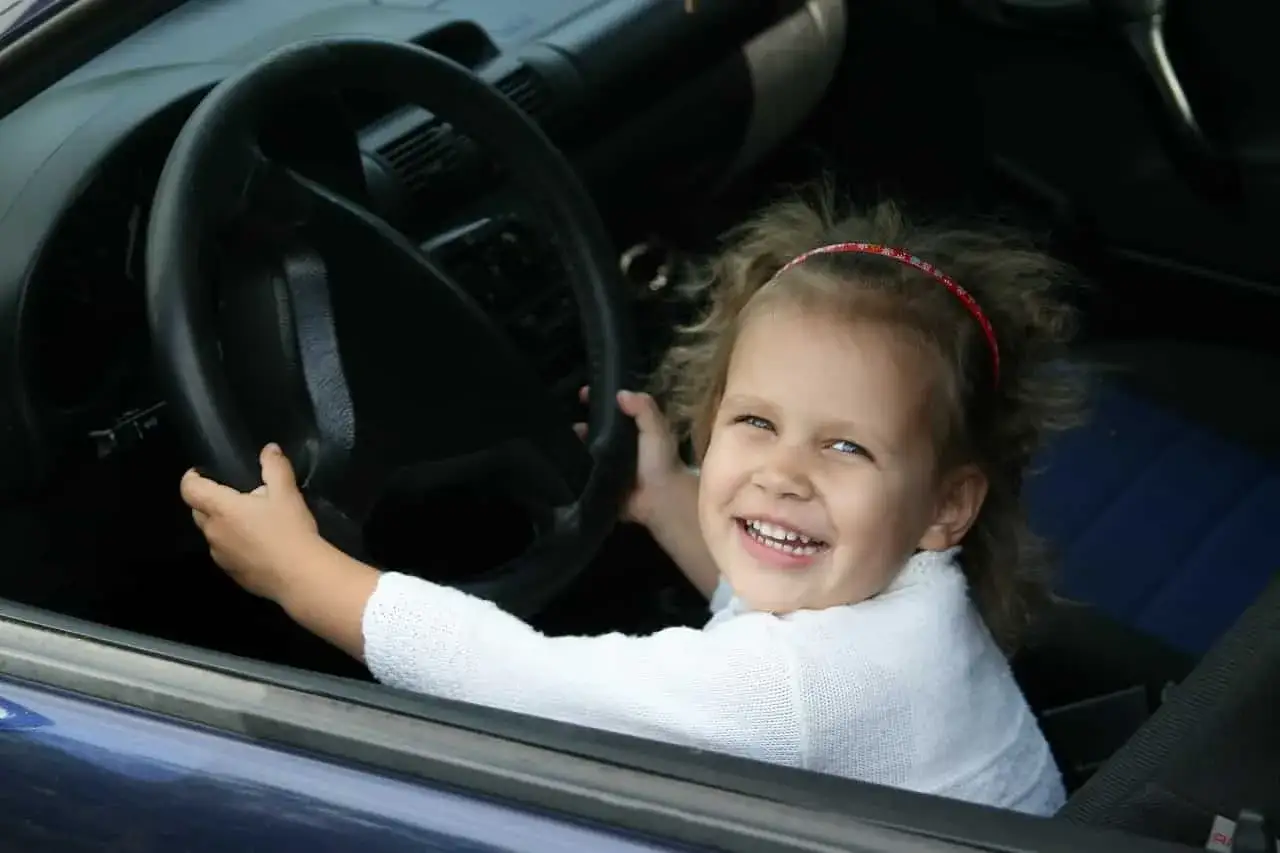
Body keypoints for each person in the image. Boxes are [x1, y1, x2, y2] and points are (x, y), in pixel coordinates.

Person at [180, 189, 1083, 815]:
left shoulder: (810, 689)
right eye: (757, 421)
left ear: (945, 508)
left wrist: (306, 576)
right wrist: (666, 497)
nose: (784, 474)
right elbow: (772, 578)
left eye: (846, 445)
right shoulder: (907, 593)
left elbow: (524, 683)